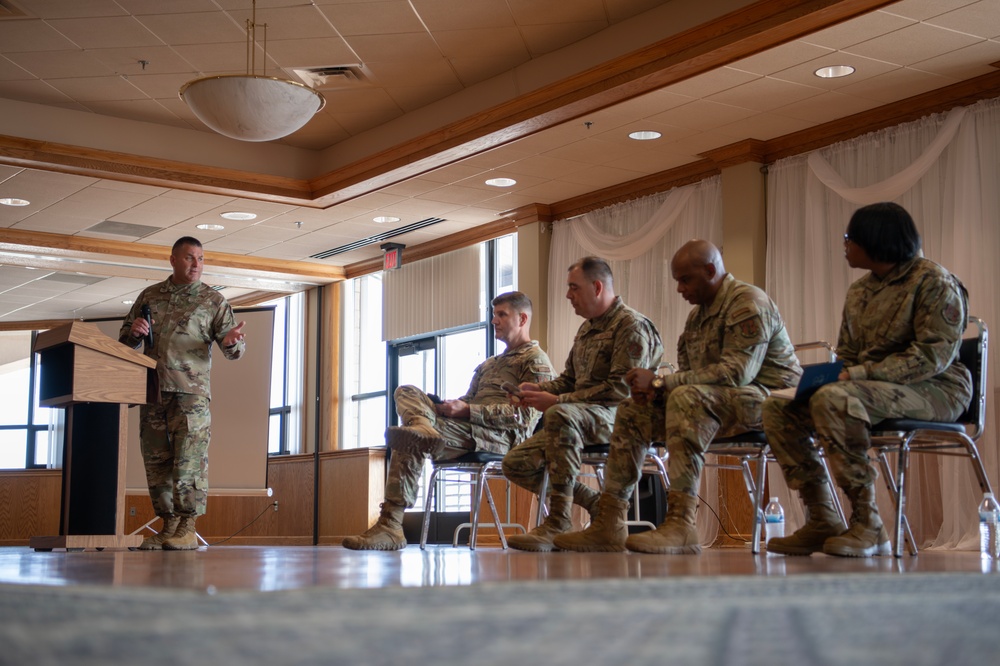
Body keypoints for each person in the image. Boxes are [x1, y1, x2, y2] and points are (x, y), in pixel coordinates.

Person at [554, 240, 802, 554]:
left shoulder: (747, 301)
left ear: (711, 271)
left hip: (772, 401)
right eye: (677, 281)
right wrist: (653, 395)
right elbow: (695, 379)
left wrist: (660, 382)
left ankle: (682, 523)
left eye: (685, 280)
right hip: (718, 404)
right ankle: (609, 522)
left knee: (684, 398)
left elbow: (735, 374)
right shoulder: (696, 319)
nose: (679, 289)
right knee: (632, 411)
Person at [762, 202, 971, 558]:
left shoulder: (934, 282)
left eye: (849, 238)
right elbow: (848, 354)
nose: (844, 246)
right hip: (870, 389)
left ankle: (868, 524)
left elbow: (931, 357)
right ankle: (823, 518)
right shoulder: (859, 292)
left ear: (876, 240)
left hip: (937, 389)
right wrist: (826, 378)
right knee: (777, 408)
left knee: (836, 400)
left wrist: (853, 376)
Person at [342, 291, 554, 551]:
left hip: (500, 440)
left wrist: (467, 411)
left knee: (411, 437)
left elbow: (524, 418)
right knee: (406, 391)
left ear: (522, 319)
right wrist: (447, 408)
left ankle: (391, 525)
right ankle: (423, 425)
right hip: (467, 430)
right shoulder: (488, 365)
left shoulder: (536, 361)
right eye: (493, 315)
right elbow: (469, 399)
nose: (494, 321)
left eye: (502, 315)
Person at [502, 256, 664, 552]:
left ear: (598, 286)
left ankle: (558, 522)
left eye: (574, 288)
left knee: (562, 414)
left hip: (621, 418)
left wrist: (557, 400)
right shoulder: (587, 330)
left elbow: (621, 389)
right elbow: (569, 381)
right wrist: (537, 390)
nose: (568, 295)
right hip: (578, 418)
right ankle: (597, 504)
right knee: (515, 463)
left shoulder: (632, 326)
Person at [119, 237, 246, 551]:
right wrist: (133, 333)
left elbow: (235, 351)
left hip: (191, 394)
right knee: (157, 463)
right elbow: (124, 342)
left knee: (189, 462)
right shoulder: (149, 296)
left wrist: (231, 341)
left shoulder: (212, 300)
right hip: (153, 393)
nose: (197, 264)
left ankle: (187, 527)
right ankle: (169, 526)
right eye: (190, 258)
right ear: (173, 259)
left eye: (201, 259)